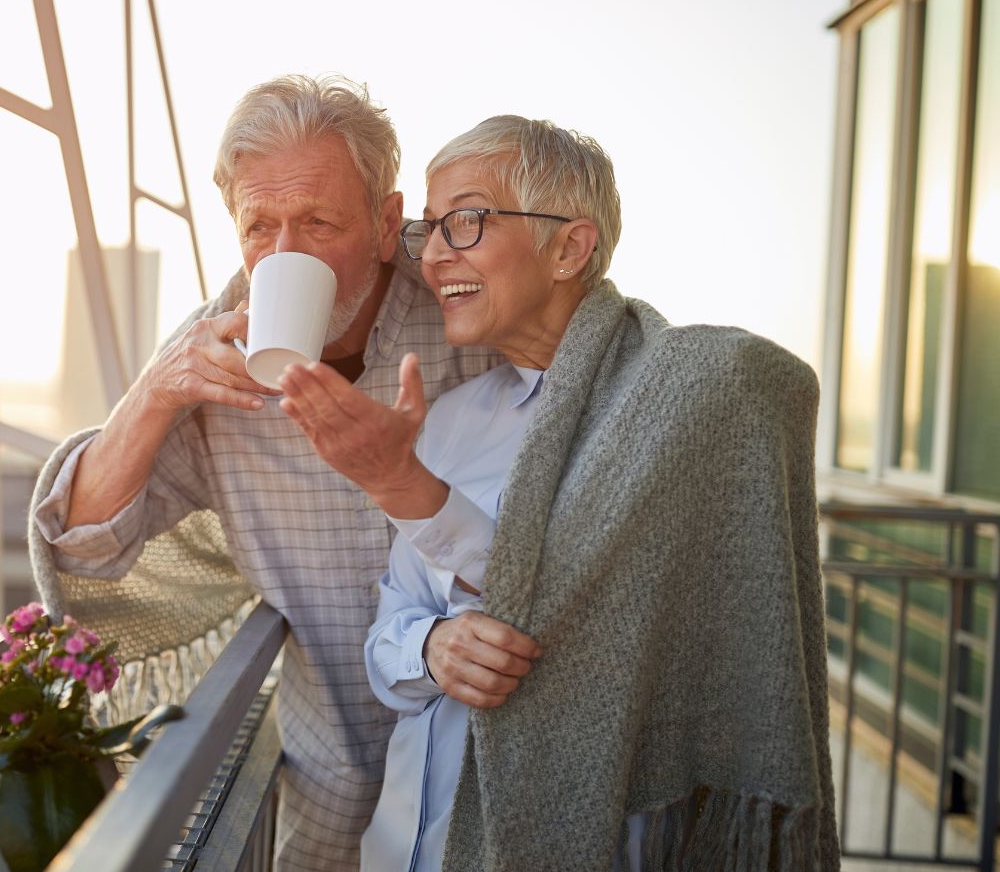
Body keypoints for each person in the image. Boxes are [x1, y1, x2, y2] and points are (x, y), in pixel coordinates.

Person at [279, 116, 840, 870]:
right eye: (430, 228)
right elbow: (386, 642)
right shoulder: (449, 420)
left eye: (467, 221)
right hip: (408, 845)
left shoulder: (678, 401)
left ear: (570, 247)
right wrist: (432, 645)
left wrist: (400, 485)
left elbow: (576, 613)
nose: (436, 253)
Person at [27, 76, 541, 870]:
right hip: (331, 778)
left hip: (496, 764)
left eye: (317, 222)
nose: (284, 254)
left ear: (384, 223)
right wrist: (157, 390)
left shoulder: (463, 305)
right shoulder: (209, 356)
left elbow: (588, 394)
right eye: (259, 227)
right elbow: (83, 549)